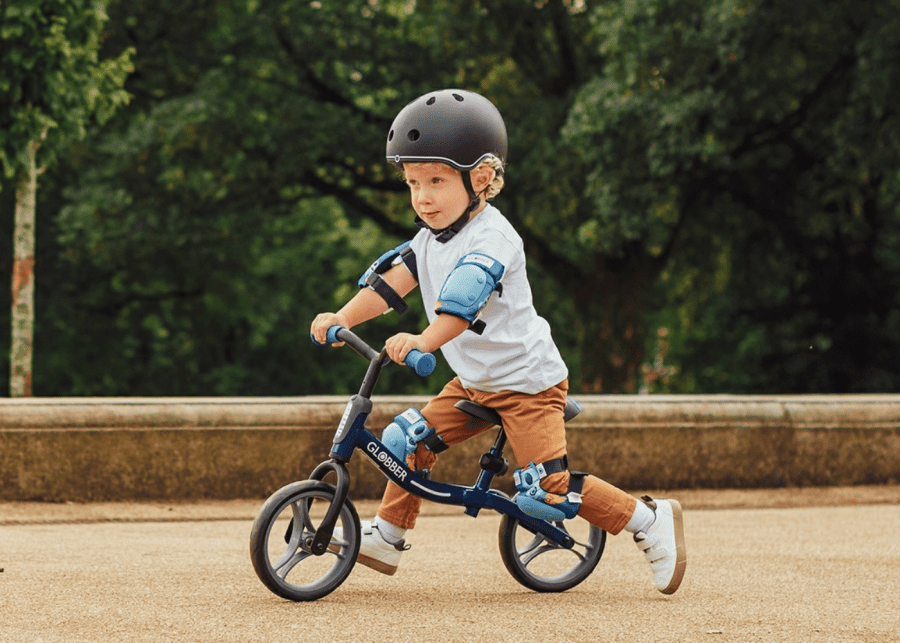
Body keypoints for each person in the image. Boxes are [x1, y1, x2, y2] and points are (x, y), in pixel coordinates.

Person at [310, 89, 686, 594]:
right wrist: (342, 317)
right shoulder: (428, 239)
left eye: (437, 181)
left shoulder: (494, 241)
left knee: (543, 495)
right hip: (473, 383)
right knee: (403, 442)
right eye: (413, 182)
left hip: (528, 385)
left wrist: (422, 341)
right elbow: (388, 286)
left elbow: (459, 310)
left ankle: (647, 518)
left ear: (480, 178)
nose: (423, 197)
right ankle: (389, 536)